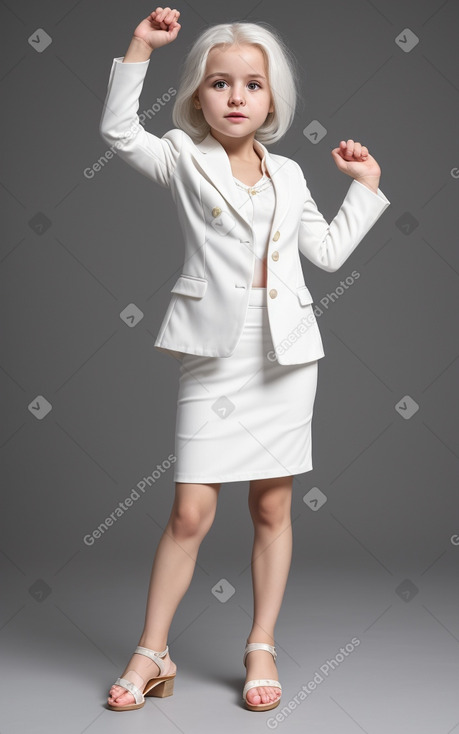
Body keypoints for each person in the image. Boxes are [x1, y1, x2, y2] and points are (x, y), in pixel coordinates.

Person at [100, 7, 390, 713]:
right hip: (214, 352)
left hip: (286, 359)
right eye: (220, 83)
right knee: (191, 514)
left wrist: (367, 186)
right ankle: (152, 650)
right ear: (198, 95)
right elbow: (116, 132)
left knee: (271, 506)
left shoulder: (289, 173)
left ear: (270, 98)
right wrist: (141, 46)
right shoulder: (180, 155)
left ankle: (260, 643)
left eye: (252, 84)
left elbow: (323, 255)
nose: (236, 96)